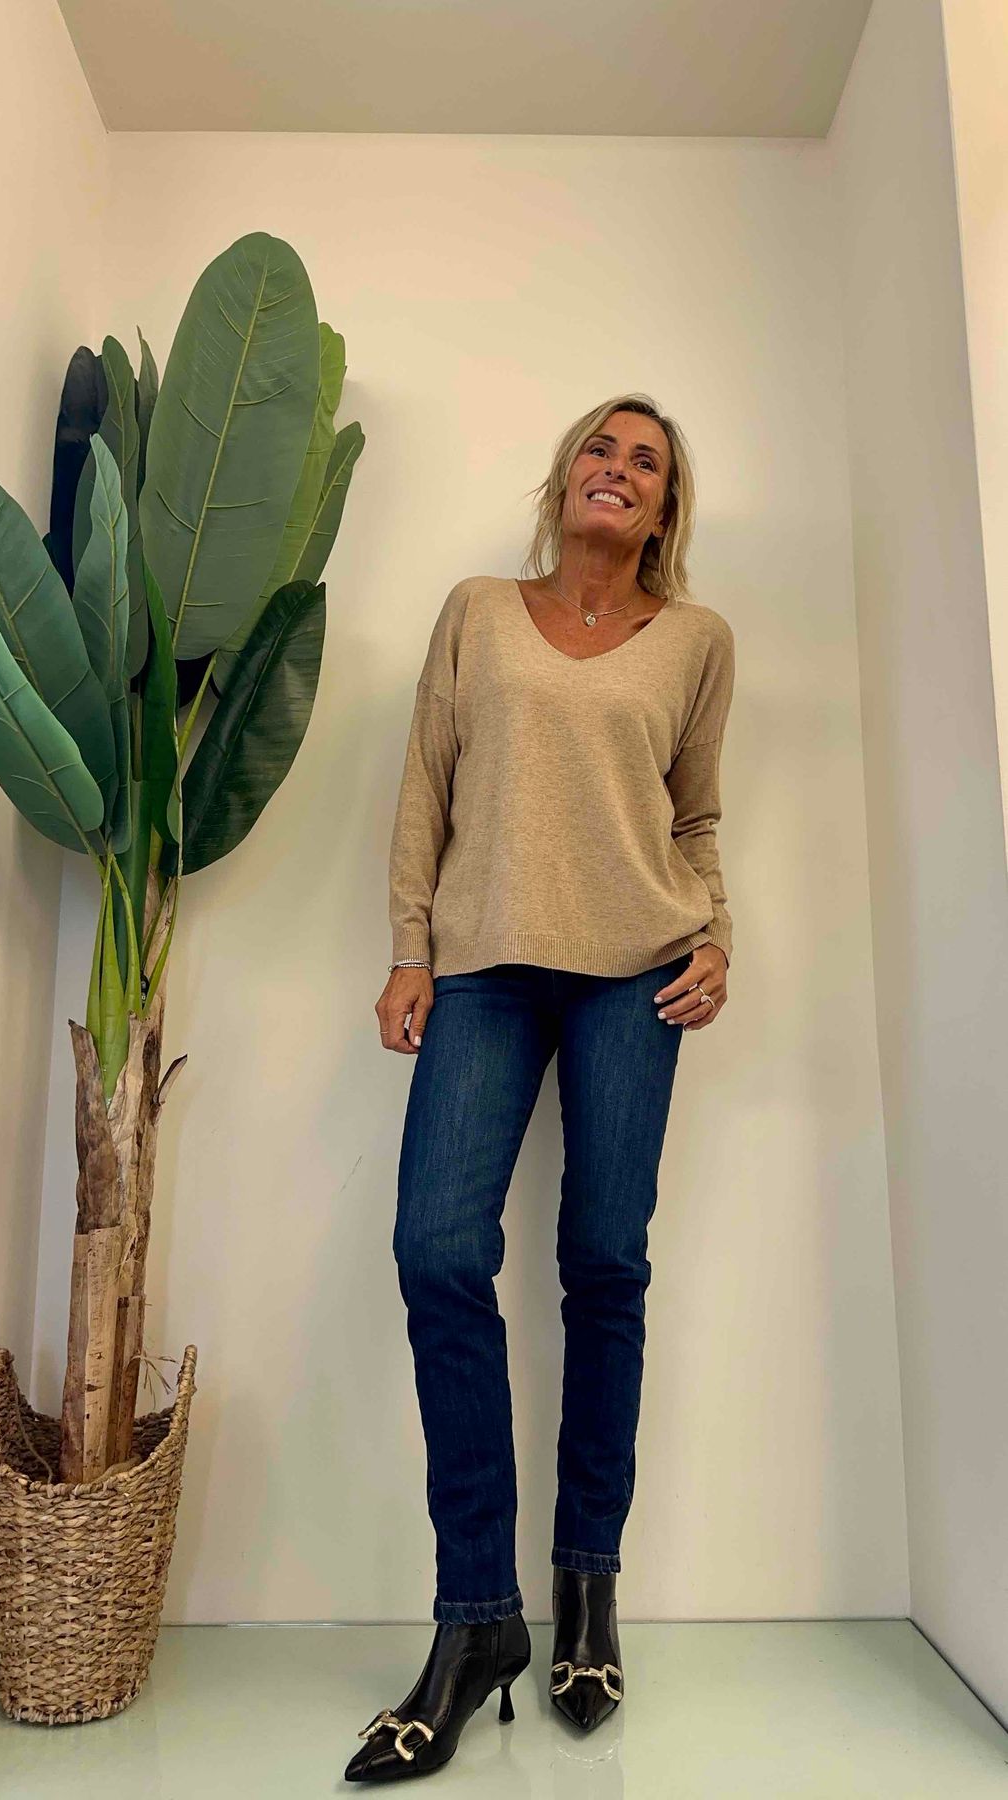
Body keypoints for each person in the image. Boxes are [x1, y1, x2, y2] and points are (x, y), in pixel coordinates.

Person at [346, 393, 735, 1783]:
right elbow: (425, 786)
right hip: (484, 968)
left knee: (604, 1266)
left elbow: (695, 818)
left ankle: (585, 1592)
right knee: (438, 1250)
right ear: (564, 477)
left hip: (639, 973)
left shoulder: (696, 641)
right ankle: (476, 1620)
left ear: (663, 507)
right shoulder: (476, 611)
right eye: (600, 449)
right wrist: (410, 950)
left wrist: (718, 937)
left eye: (645, 462)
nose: (616, 469)